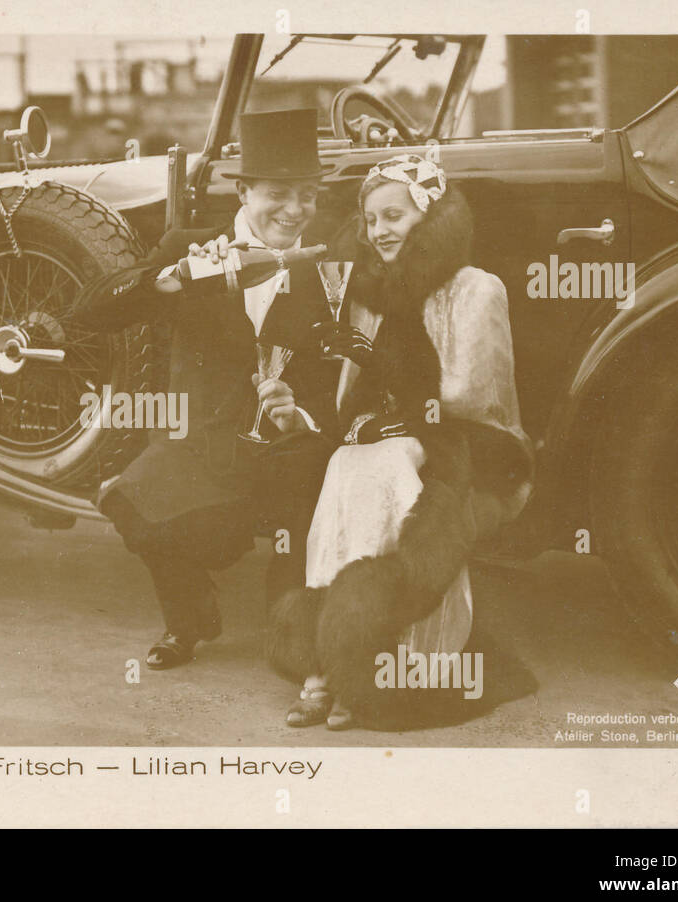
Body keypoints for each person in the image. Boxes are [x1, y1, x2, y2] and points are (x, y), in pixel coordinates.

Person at [266, 153, 534, 728]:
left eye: (395, 215)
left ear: (429, 217)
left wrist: (402, 429)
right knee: (347, 462)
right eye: (371, 219)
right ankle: (328, 663)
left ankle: (356, 663)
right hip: (383, 441)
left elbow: (475, 402)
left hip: (467, 446)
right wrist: (360, 418)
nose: (380, 230)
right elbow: (353, 399)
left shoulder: (475, 289)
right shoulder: (365, 295)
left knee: (382, 462)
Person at [72, 108, 344, 670]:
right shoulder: (189, 246)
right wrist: (166, 280)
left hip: (293, 456)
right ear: (243, 191)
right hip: (202, 451)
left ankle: (293, 636)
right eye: (278, 193)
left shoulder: (327, 265)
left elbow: (345, 372)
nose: (296, 211)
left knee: (293, 639)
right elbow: (89, 313)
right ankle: (190, 618)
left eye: (308, 195)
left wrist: (304, 418)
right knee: (131, 500)